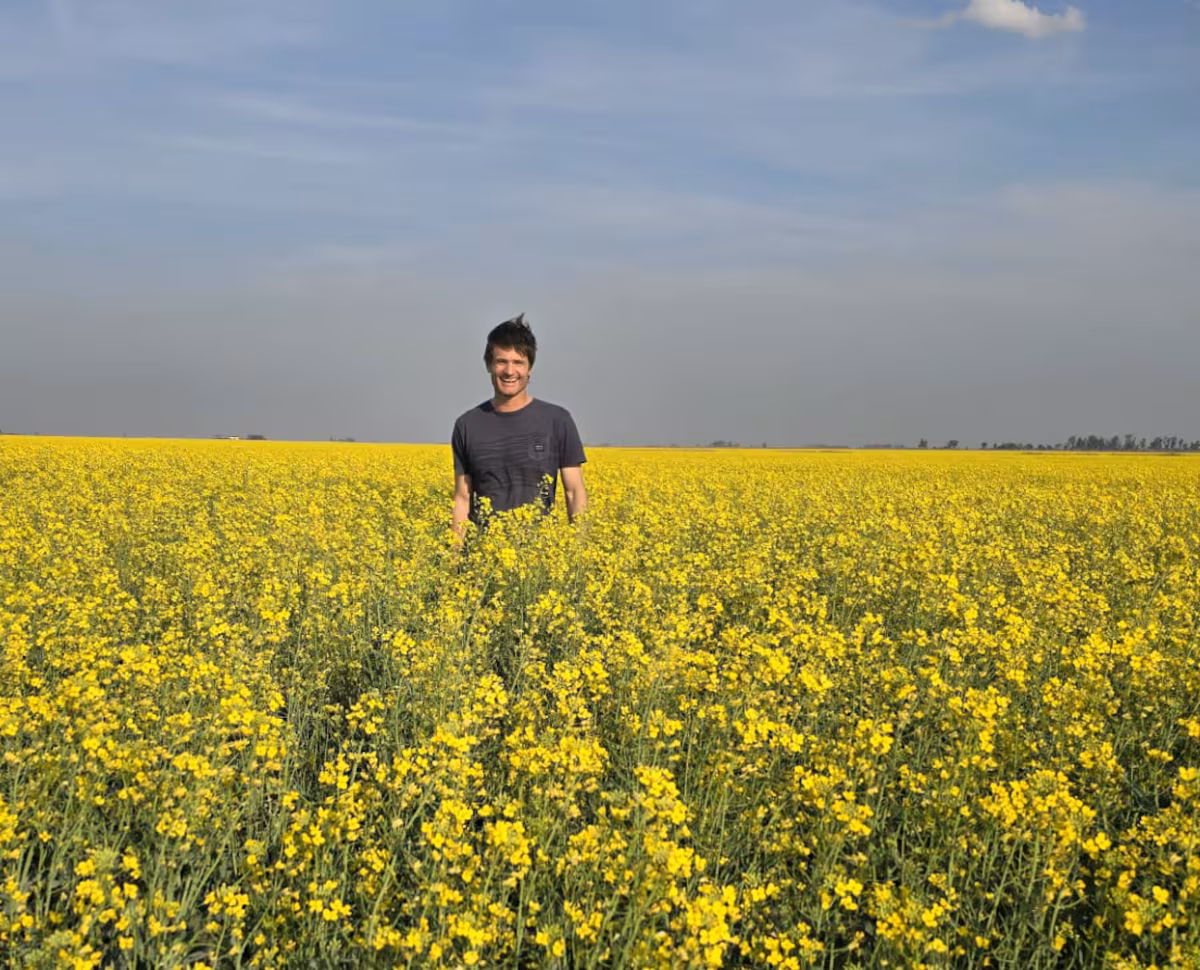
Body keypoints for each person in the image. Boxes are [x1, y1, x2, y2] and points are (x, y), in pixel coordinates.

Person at [451, 314, 587, 540]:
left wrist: (578, 558)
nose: (509, 371)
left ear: (529, 368)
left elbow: (574, 493)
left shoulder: (558, 420)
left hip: (540, 561)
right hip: (482, 561)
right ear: (489, 366)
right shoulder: (467, 425)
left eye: (518, 362)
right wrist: (453, 564)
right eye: (501, 361)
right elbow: (462, 500)